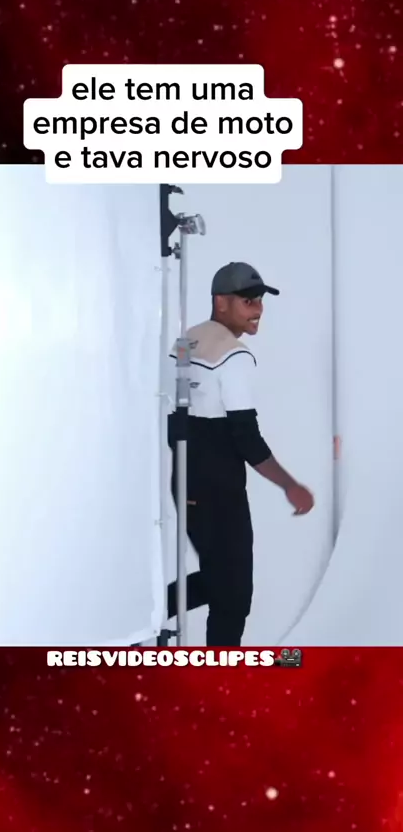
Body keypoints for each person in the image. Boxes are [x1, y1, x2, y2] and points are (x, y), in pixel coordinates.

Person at [167, 262, 314, 646]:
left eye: (260, 301)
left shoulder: (184, 342)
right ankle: (217, 669)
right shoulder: (235, 356)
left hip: (185, 483)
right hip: (220, 492)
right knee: (233, 598)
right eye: (248, 301)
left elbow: (171, 416)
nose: (258, 310)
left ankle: (144, 613)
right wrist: (290, 485)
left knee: (222, 583)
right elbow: (246, 438)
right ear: (221, 302)